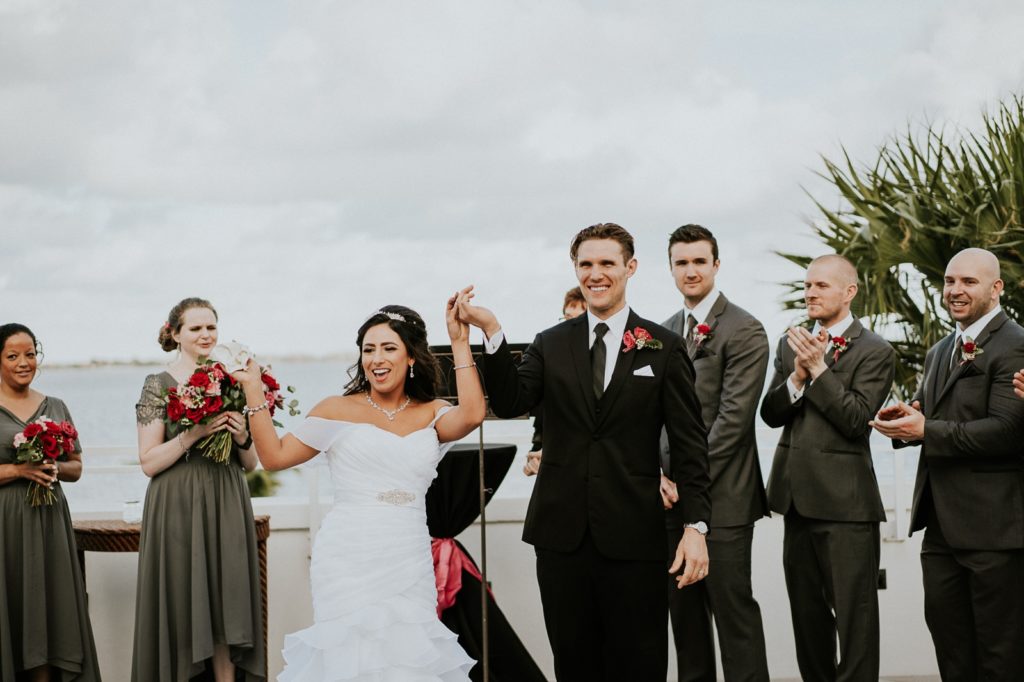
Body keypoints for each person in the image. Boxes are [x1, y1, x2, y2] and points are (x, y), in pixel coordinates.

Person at [458, 223, 711, 682]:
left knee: (640, 663)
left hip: (635, 536)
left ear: (630, 268)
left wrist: (695, 526)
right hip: (561, 538)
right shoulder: (550, 343)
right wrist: (492, 332)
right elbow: (513, 401)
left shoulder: (664, 347)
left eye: (607, 263)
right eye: (586, 265)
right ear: (575, 269)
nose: (596, 274)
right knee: (574, 665)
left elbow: (691, 447)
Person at [233, 291, 486, 680]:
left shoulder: (433, 413)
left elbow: (472, 413)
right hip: (348, 556)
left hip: (407, 554)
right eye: (369, 350)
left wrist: (459, 340)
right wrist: (253, 390)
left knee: (408, 660)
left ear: (411, 356)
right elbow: (274, 457)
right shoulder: (338, 409)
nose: (377, 359)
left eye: (388, 348)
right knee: (350, 661)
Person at [872, 248, 1024, 679]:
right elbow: (933, 417)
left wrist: (927, 431)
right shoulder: (942, 349)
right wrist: (906, 422)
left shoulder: (1016, 344)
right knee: (951, 649)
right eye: (950, 281)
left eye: (968, 282)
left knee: (1001, 655)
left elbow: (1008, 432)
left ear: (996, 289)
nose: (955, 290)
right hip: (939, 528)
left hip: (995, 530)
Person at [760, 254, 894, 681]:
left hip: (847, 507)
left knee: (855, 622)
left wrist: (819, 369)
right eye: (808, 285)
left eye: (821, 286)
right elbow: (770, 413)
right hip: (795, 501)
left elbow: (856, 420)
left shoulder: (876, 350)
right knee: (807, 619)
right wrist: (796, 378)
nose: (810, 292)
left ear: (849, 292)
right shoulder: (790, 343)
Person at [132, 298, 265, 681]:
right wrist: (195, 433)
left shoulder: (233, 378)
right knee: (182, 600)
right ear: (175, 334)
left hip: (226, 497)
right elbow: (149, 462)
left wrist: (242, 436)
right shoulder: (158, 385)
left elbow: (251, 463)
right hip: (177, 503)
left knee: (228, 598)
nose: (206, 335)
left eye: (211, 327)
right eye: (196, 328)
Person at [660, 225, 770, 682]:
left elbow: (732, 423)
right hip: (668, 500)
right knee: (685, 624)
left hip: (724, 501)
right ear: (671, 268)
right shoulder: (661, 333)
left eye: (699, 261)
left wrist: (685, 480)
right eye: (681, 262)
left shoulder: (744, 329)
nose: (690, 270)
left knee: (733, 616)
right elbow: (646, 417)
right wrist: (655, 475)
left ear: (716, 265)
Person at [0, 323, 101, 682]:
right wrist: (17, 470)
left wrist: (50, 465)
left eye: (30, 354)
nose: (24, 362)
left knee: (48, 608)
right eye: (13, 356)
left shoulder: (56, 406)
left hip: (49, 522)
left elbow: (76, 468)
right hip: (6, 525)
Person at [523, 286, 586, 476]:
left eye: (577, 319)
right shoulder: (550, 360)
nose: (570, 326)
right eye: (567, 318)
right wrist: (533, 462)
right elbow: (540, 433)